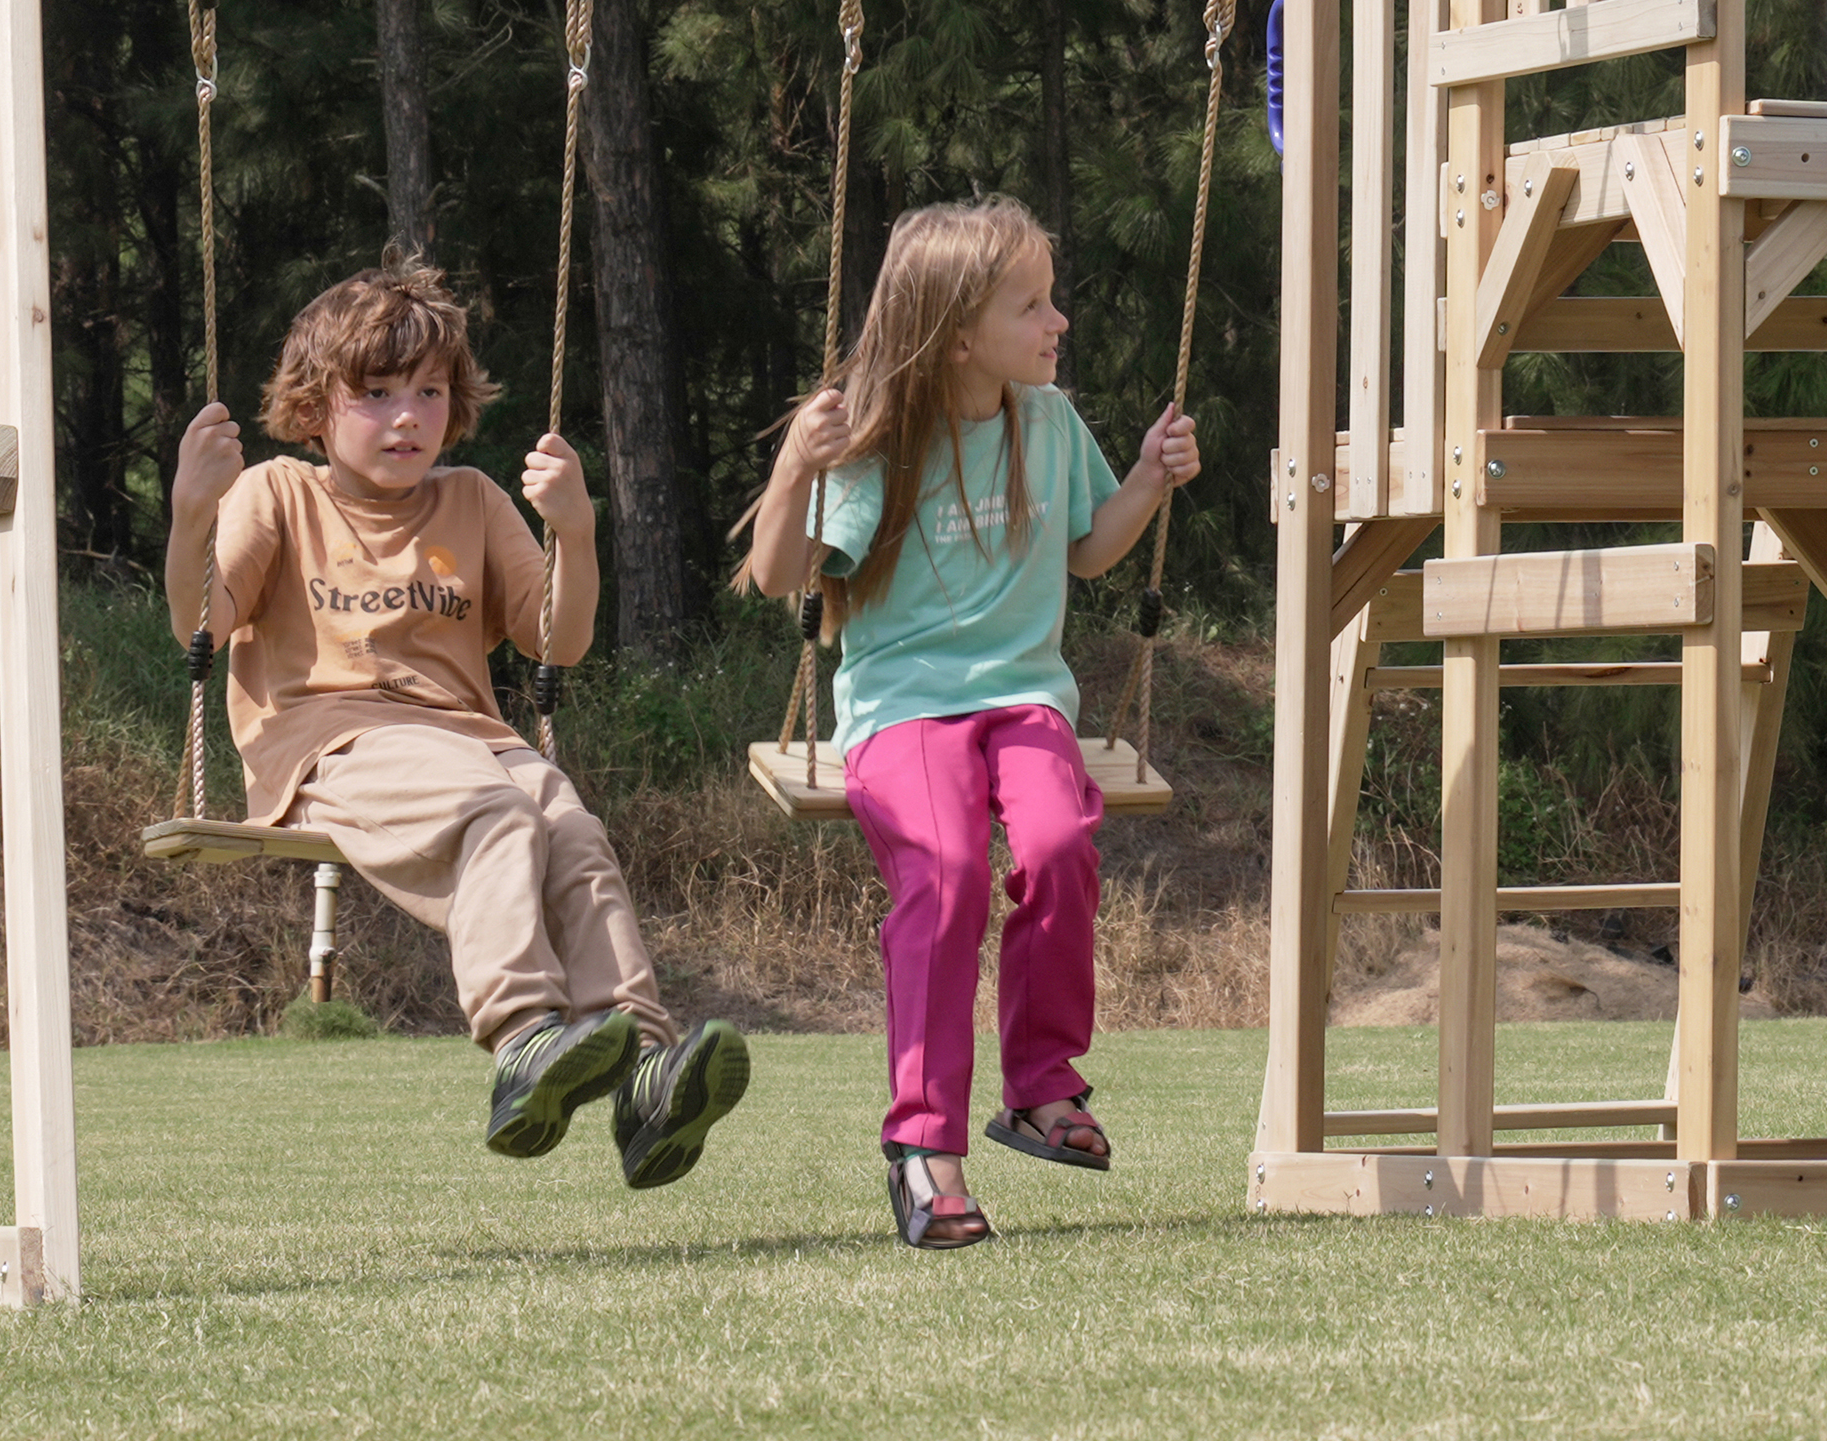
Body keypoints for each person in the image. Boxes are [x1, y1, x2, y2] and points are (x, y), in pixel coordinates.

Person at [167, 259, 748, 1188]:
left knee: (573, 831)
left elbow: (559, 640)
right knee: (499, 810)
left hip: (475, 740)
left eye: (429, 391)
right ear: (316, 406)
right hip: (333, 742)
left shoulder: (473, 498)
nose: (408, 415)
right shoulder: (278, 492)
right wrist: (193, 511)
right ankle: (525, 1037)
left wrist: (578, 530)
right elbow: (202, 622)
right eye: (378, 393)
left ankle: (642, 1067)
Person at [739, 198, 1203, 1251]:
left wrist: (1143, 479)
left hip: (1023, 697)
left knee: (1055, 840)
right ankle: (922, 1147)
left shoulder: (1046, 422)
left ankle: (1039, 1088)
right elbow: (777, 577)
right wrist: (796, 468)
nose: (1058, 322)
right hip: (901, 706)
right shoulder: (880, 441)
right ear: (956, 333)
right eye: (1030, 304)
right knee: (945, 876)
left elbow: (1088, 552)